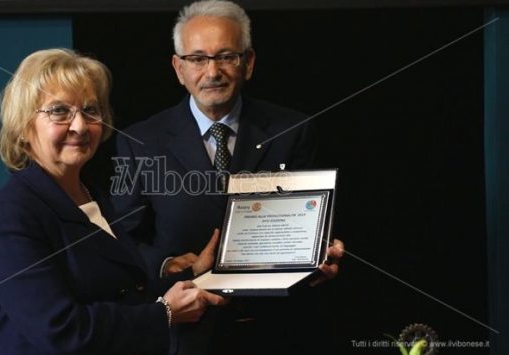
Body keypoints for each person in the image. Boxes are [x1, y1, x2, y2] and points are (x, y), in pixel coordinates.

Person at [110, 1, 344, 354]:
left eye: (226, 56)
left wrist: (317, 257)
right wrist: (166, 264)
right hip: (184, 335)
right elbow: (122, 240)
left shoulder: (293, 131)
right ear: (179, 68)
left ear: (247, 63)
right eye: (198, 59)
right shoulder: (138, 142)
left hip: (278, 331)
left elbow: (308, 220)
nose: (212, 71)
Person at [0, 48, 226, 355]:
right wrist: (165, 314)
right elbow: (62, 331)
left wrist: (192, 276)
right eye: (59, 111)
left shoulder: (92, 194)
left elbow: (124, 293)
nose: (80, 126)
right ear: (24, 124)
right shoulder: (13, 215)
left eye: (90, 111)